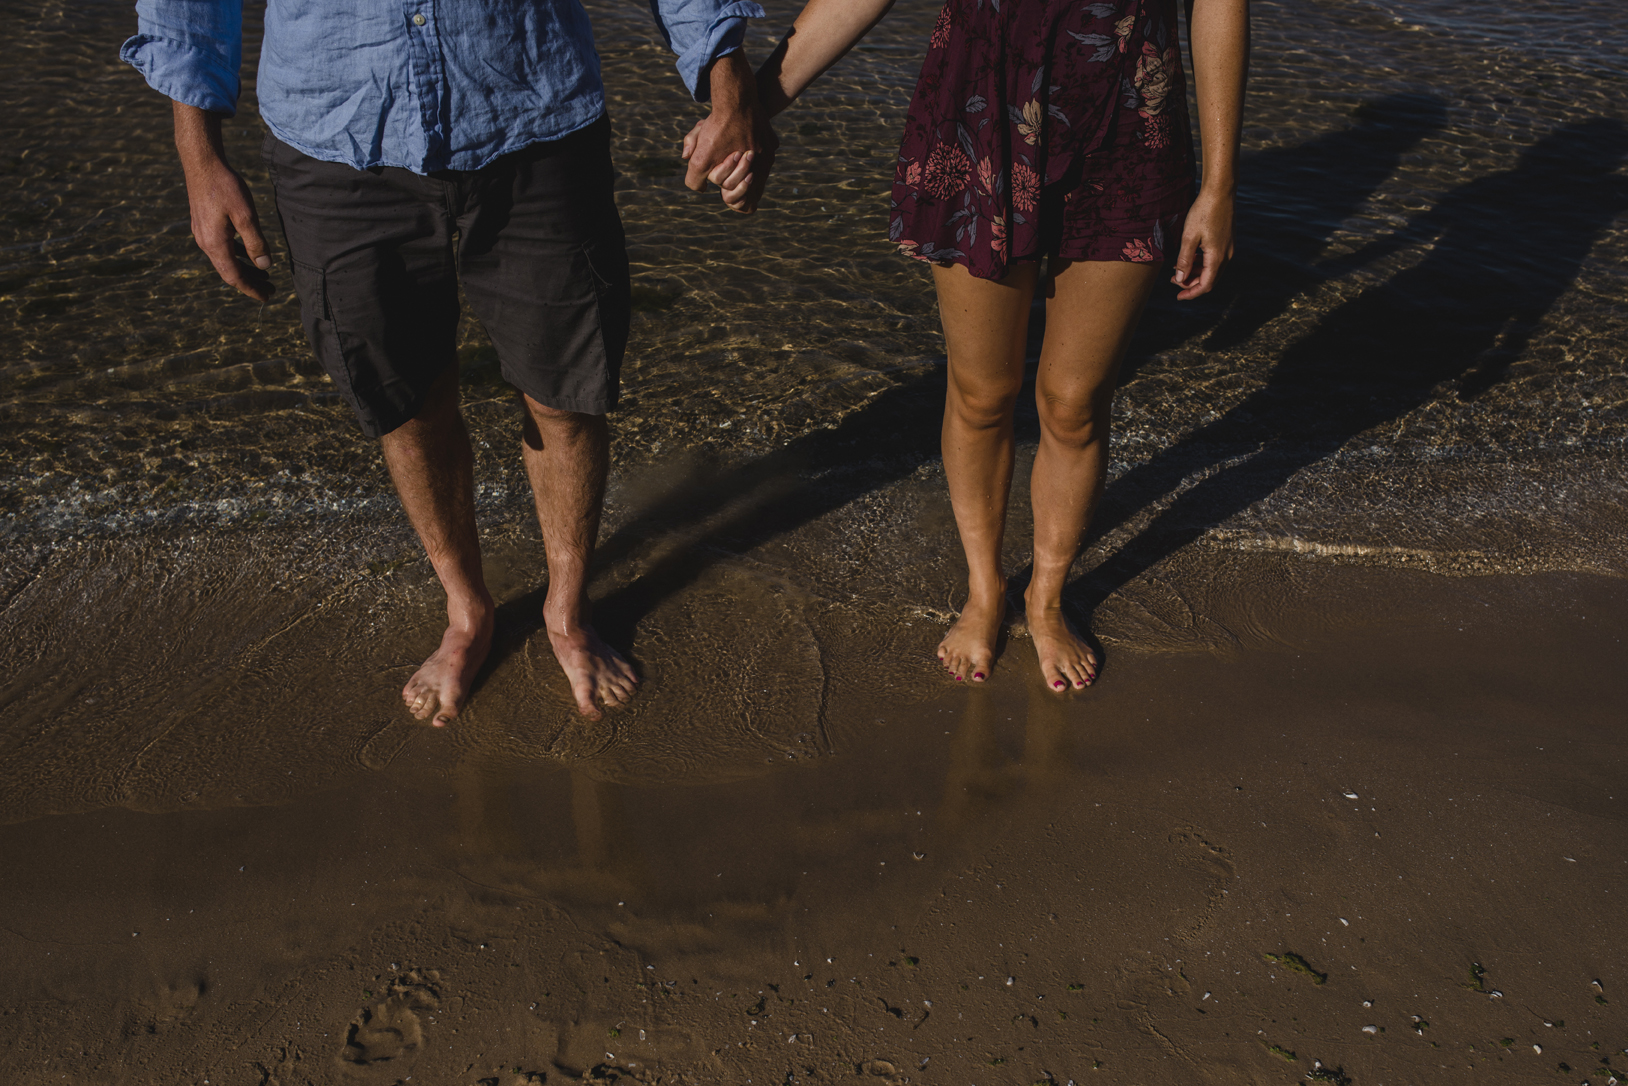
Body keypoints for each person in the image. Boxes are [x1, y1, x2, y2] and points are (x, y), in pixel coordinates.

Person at [121, 0, 775, 724]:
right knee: (407, 400)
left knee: (566, 393)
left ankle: (565, 610)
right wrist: (198, 151)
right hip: (335, 127)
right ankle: (466, 610)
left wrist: (729, 84)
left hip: (534, 105)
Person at [687, 0, 1247, 691]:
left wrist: (1219, 186)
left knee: (1073, 402)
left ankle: (1045, 597)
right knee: (983, 391)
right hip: (979, 110)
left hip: (1130, 119)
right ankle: (985, 589)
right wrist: (752, 109)